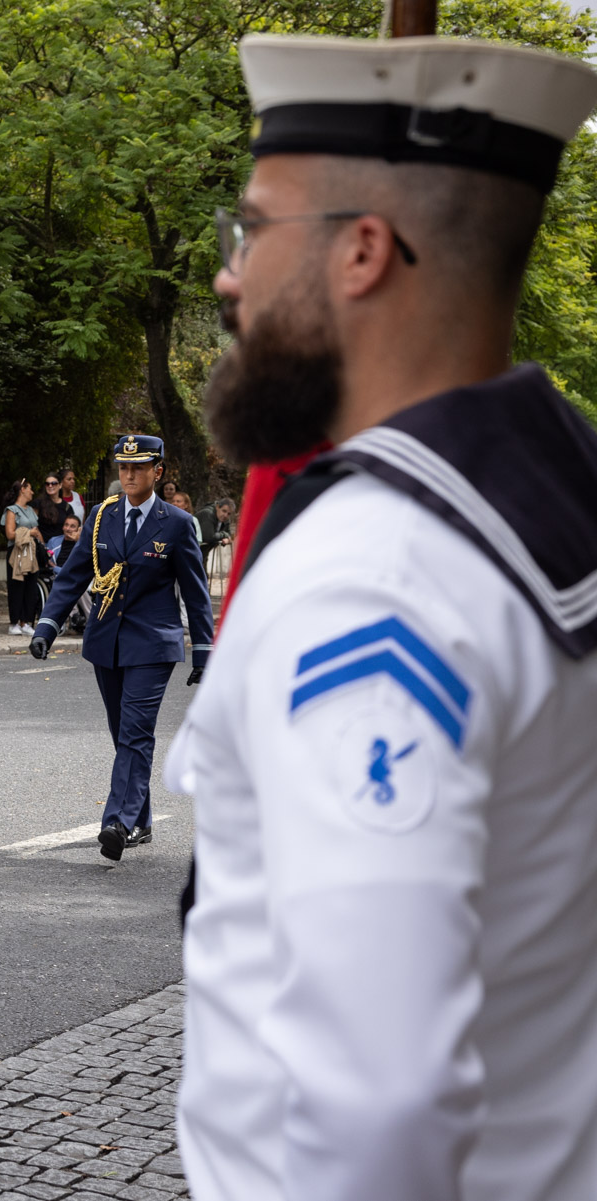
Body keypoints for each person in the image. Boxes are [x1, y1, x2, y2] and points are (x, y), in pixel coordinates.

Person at [174, 33, 597, 1201]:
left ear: (362, 250)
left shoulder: (369, 581)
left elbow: (380, 1103)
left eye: (254, 230)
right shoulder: (552, 507)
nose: (230, 277)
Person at [31, 434, 212, 862]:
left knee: (135, 732)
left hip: (153, 644)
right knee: (122, 732)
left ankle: (118, 821)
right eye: (124, 467)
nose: (129, 474)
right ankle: (142, 818)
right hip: (107, 641)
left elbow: (195, 590)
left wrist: (204, 650)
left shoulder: (178, 523)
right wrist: (47, 625)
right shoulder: (101, 515)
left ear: (157, 472)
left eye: (139, 467)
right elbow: (73, 575)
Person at [2, 479, 47, 635]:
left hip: (32, 551)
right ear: (22, 490)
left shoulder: (30, 510)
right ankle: (14, 622)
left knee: (31, 587)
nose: (32, 492)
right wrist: (29, 533)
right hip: (18, 552)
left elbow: (37, 530)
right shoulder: (12, 510)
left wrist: (44, 547)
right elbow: (10, 534)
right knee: (17, 586)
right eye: (30, 489)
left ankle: (26, 621)